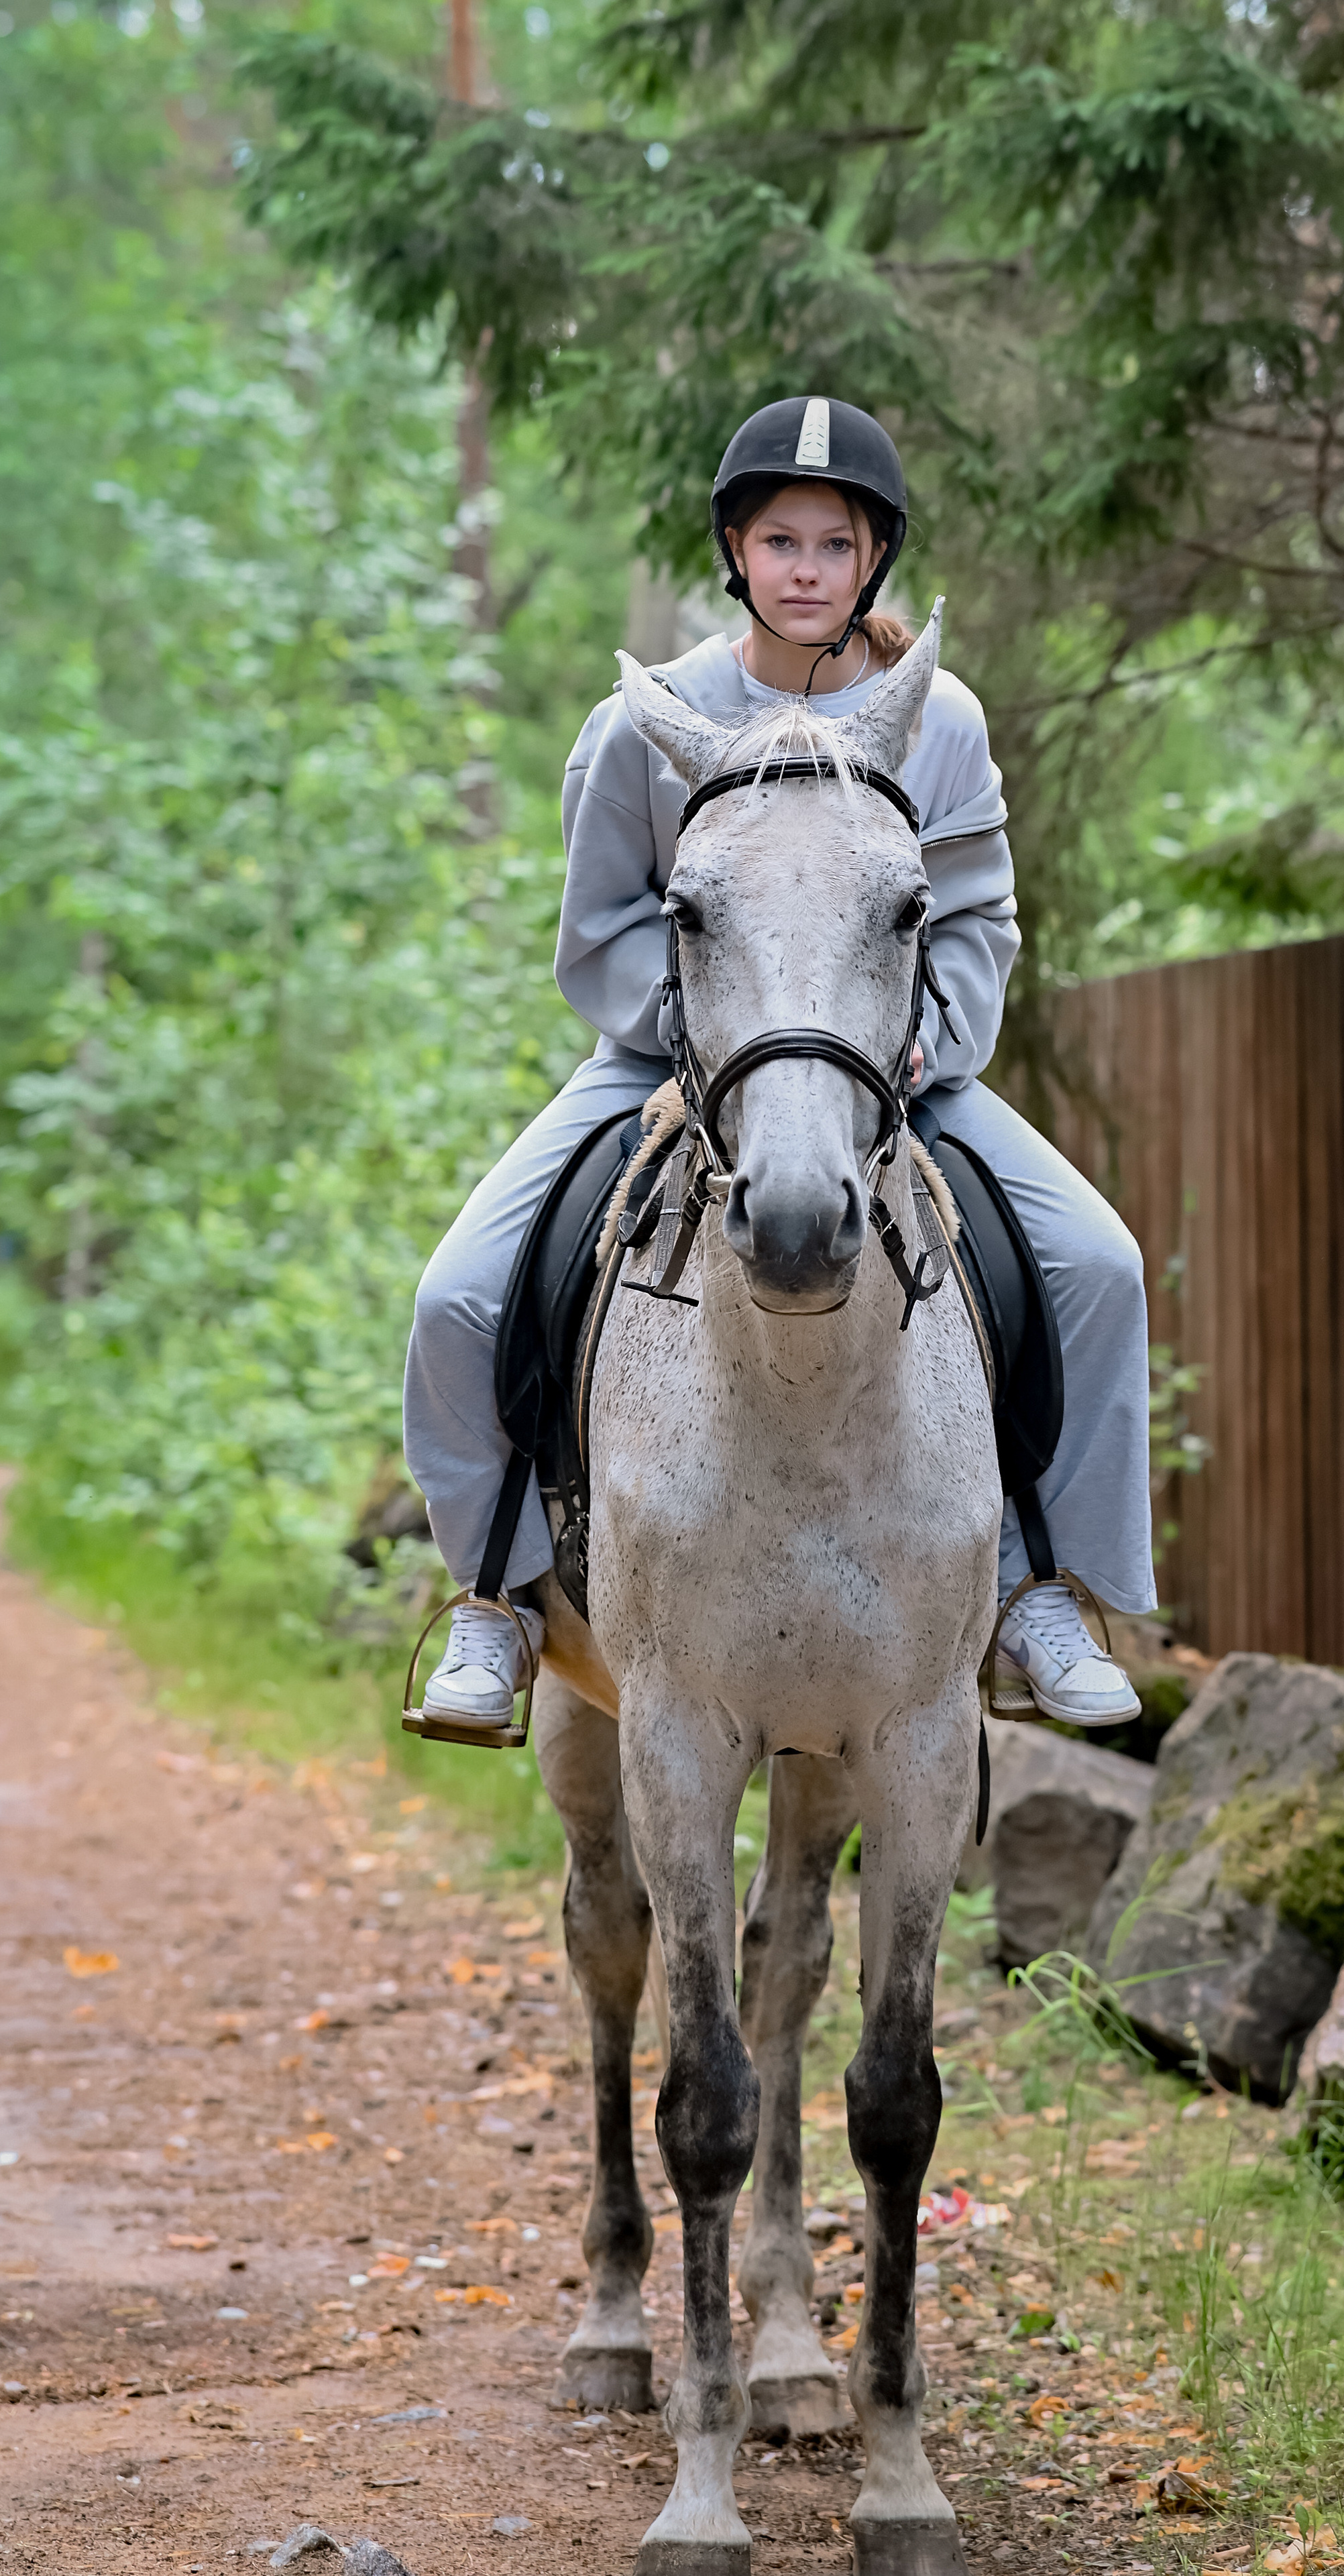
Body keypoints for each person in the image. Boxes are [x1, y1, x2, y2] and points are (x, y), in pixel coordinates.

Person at [403, 396, 1154, 1730]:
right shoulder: (643, 722)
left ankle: (1041, 1582)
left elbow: (974, 917)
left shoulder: (940, 720)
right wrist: (710, 1046)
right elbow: (599, 935)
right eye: (777, 539)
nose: (803, 567)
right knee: (457, 1299)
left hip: (894, 1069)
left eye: (830, 541)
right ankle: (496, 1598)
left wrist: (932, 1037)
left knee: (1097, 1265)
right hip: (665, 1064)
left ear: (871, 560)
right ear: (733, 552)